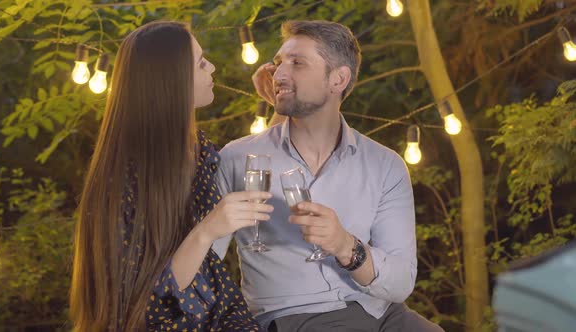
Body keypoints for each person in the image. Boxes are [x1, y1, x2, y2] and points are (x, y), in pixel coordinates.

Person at [213, 20, 443, 331]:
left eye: (297, 63)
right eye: (279, 63)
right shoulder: (238, 158)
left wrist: (346, 246)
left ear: (338, 79)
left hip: (382, 313)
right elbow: (205, 261)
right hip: (297, 316)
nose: (277, 74)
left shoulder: (385, 165)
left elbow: (401, 282)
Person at [69, 21, 273, 331]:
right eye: (201, 63)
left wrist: (281, 107)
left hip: (214, 313)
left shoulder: (196, 149)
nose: (213, 68)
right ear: (172, 80)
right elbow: (147, 302)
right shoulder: (127, 175)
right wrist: (206, 231)